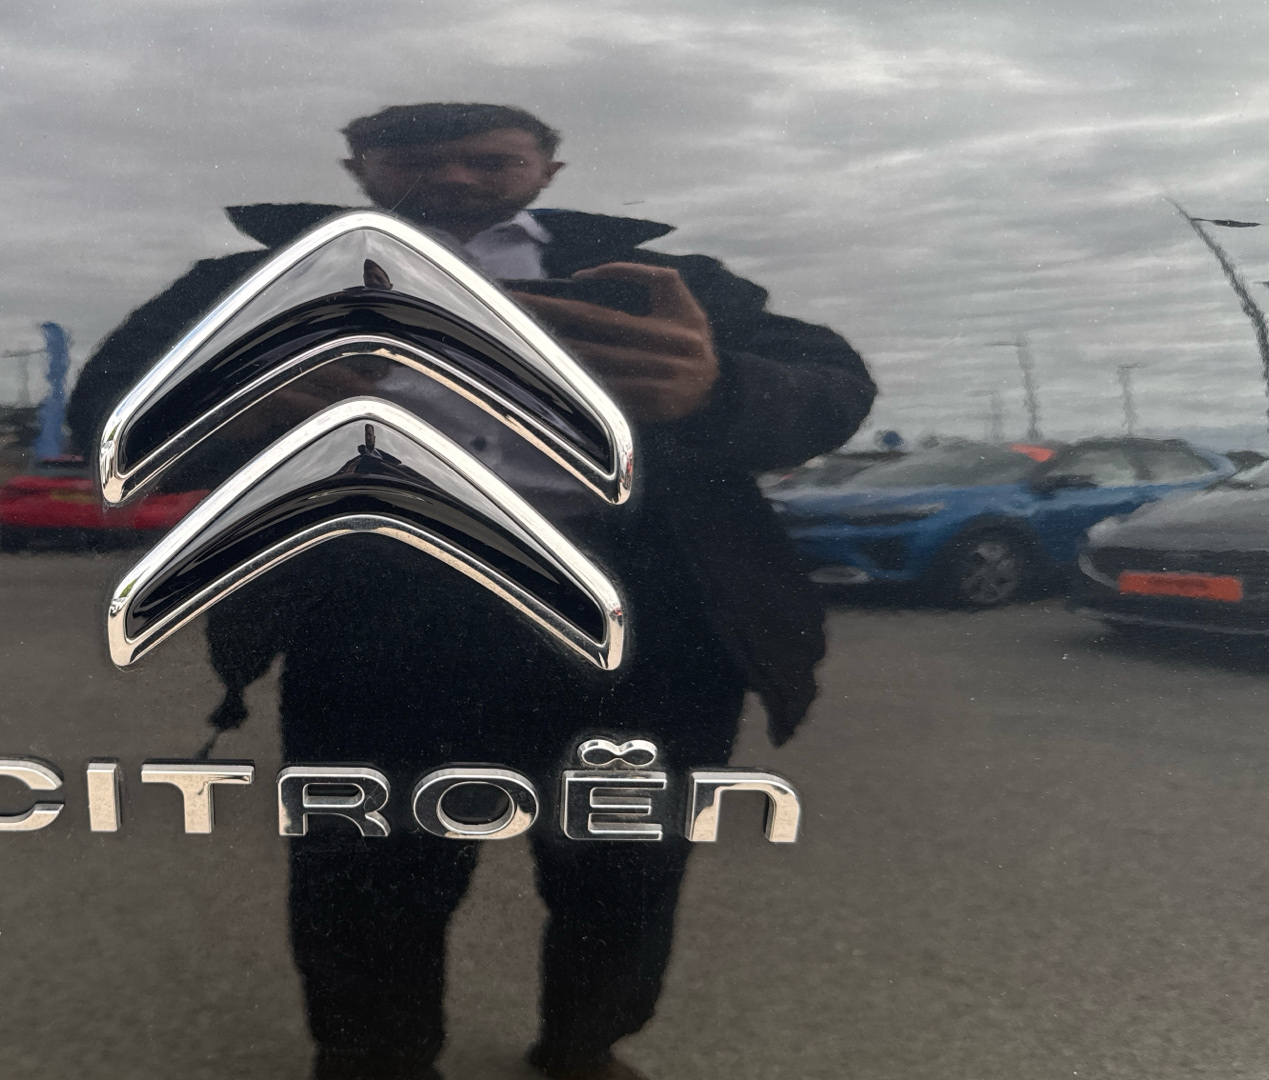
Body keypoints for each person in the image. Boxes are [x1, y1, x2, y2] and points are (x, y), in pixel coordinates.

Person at [69, 103, 875, 1080]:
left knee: (625, 871)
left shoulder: (668, 283)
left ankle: (586, 1049)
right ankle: (376, 1064)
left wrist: (722, 389)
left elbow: (835, 384)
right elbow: (104, 411)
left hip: (647, 629)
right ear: (359, 169)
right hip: (374, 617)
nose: (453, 177)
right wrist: (224, 403)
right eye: (417, 158)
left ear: (547, 171)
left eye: (487, 160)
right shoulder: (247, 284)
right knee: (363, 876)